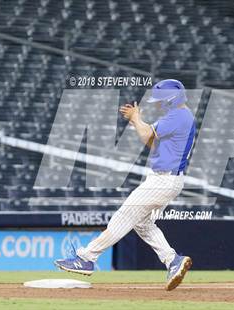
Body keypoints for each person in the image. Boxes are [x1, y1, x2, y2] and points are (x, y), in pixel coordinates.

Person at [54, 79, 196, 291]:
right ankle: (172, 260)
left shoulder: (178, 115)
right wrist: (138, 122)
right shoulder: (182, 116)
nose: (158, 103)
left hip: (162, 179)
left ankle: (86, 258)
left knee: (123, 216)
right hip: (167, 179)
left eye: (161, 100)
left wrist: (137, 118)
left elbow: (148, 134)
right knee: (143, 224)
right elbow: (152, 143)